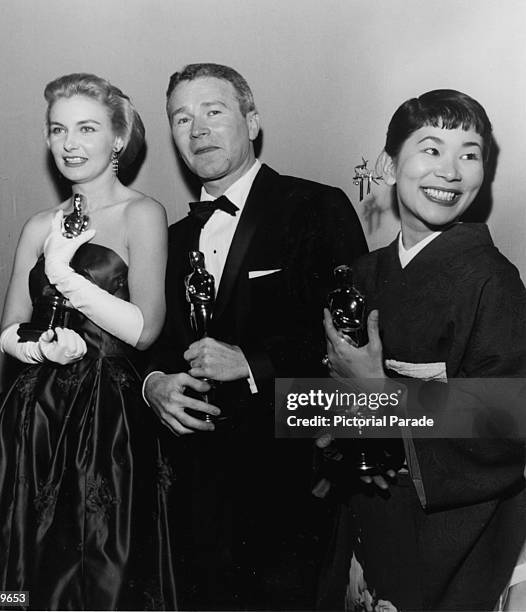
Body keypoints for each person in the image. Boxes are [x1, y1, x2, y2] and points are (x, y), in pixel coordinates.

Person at [142, 63, 368, 610]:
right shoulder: (165, 237)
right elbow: (143, 345)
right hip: (189, 492)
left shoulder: (316, 205)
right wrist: (153, 384)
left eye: (213, 112)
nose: (197, 129)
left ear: (253, 120)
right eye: (181, 118)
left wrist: (251, 361)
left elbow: (356, 339)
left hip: (290, 485)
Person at [0, 73, 175, 610]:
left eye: (86, 128)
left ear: (119, 138)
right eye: (58, 130)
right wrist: (39, 349)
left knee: (97, 562)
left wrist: (62, 269)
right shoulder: (38, 224)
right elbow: (10, 329)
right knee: (13, 563)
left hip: (106, 416)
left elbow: (144, 328)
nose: (70, 144)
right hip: (31, 415)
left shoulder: (142, 214)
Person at [320, 89, 526, 611]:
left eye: (470, 154)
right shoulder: (364, 272)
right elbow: (324, 403)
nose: (451, 171)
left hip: (453, 527)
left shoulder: (493, 281)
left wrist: (377, 394)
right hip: (371, 505)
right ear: (390, 166)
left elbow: (506, 419)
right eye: (431, 149)